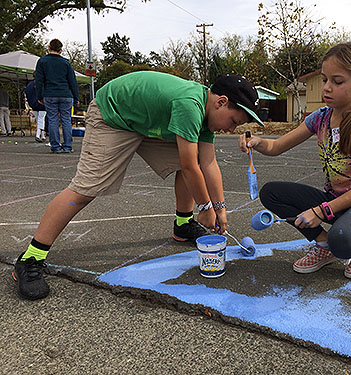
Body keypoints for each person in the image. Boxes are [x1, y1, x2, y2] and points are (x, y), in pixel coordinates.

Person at [11, 71, 264, 300]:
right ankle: (31, 257)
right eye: (233, 121)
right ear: (221, 102)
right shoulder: (190, 106)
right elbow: (190, 168)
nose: (231, 129)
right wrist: (206, 206)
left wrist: (220, 208)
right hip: (114, 114)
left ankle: (184, 225)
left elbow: (208, 163)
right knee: (86, 188)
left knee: (191, 158)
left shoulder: (206, 115)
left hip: (143, 119)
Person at [239, 42, 351, 279]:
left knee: (344, 241)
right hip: (332, 200)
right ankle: (324, 245)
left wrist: (319, 211)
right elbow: (277, 146)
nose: (326, 88)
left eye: (337, 82)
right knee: (271, 193)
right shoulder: (321, 118)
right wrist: (257, 142)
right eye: (325, 79)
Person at [35, 38, 79, 153]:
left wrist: (39, 96)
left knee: (53, 120)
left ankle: (55, 146)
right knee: (66, 120)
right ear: (61, 50)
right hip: (66, 94)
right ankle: (67, 146)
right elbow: (72, 81)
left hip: (50, 94)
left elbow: (39, 81)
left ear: (49, 48)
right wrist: (76, 97)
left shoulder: (42, 61)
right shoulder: (66, 63)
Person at [24, 77, 47, 142]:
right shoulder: (42, 83)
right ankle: (38, 133)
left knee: (38, 120)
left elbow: (27, 94)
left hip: (33, 105)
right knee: (41, 119)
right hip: (42, 104)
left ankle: (42, 135)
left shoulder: (29, 85)